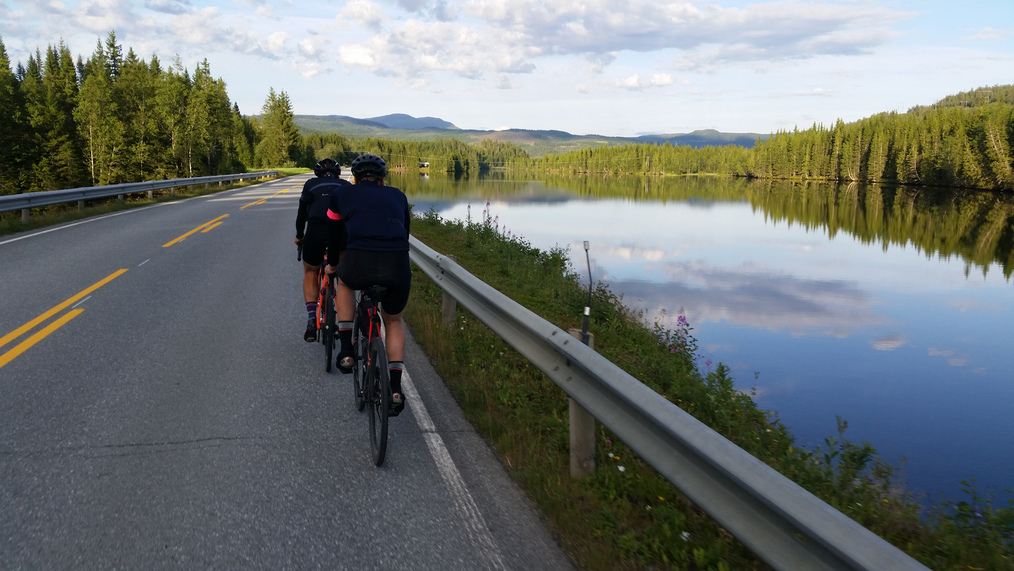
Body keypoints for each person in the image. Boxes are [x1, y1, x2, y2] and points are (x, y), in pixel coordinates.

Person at [325, 153, 412, 415]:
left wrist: (332, 264)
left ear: (354, 178)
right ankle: (394, 388)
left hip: (359, 260)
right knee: (393, 321)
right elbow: (405, 233)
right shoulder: (398, 196)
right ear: (383, 180)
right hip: (397, 264)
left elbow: (334, 234)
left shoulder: (341, 194)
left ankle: (346, 350)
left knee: (345, 283)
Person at [295, 158, 350, 342]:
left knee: (311, 271)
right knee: (342, 277)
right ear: (338, 175)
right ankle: (344, 324)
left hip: (315, 230)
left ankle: (312, 319)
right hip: (339, 230)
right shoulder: (345, 186)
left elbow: (302, 214)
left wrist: (299, 235)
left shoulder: (310, 184)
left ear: (317, 174)